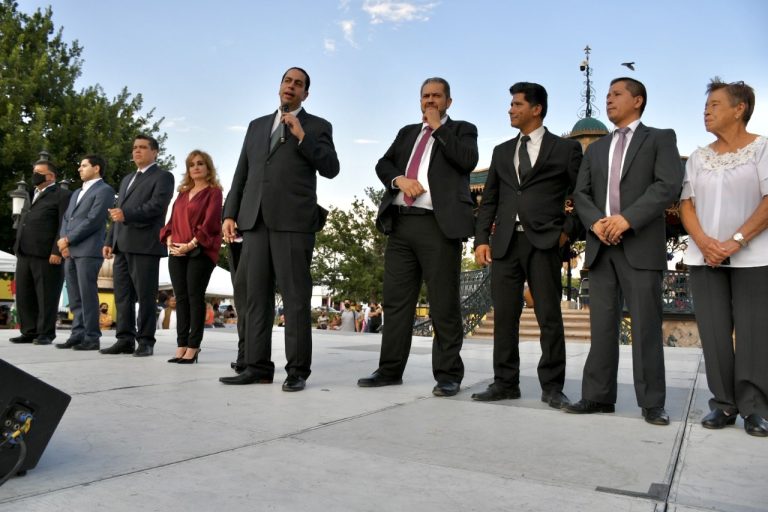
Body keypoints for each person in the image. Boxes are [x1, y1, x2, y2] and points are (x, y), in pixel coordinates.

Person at [568, 77, 683, 425]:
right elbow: (581, 193)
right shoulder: (597, 148)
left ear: (638, 100)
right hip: (601, 247)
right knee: (601, 326)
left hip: (641, 245)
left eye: (616, 94)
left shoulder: (660, 138)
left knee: (646, 326)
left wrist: (626, 220)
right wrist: (597, 223)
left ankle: (652, 403)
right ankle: (597, 396)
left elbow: (668, 185)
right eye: (607, 95)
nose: (609, 99)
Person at [219, 67, 340, 391]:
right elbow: (241, 173)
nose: (292, 87)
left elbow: (331, 168)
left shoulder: (317, 126)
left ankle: (297, 370)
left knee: (296, 298)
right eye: (288, 81)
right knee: (254, 297)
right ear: (280, 87)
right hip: (254, 221)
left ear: (306, 94)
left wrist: (302, 136)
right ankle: (257, 367)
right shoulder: (257, 126)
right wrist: (229, 213)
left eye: (298, 84)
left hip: (293, 223)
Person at [357, 77, 478, 397]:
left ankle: (449, 374)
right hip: (401, 225)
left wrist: (439, 128)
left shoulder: (463, 129)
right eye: (426, 96)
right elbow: (383, 163)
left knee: (443, 304)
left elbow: (467, 161)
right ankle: (389, 369)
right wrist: (398, 179)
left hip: (439, 225)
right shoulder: (407, 133)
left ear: (448, 102)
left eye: (437, 96)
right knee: (396, 303)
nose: (430, 101)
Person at [473, 82, 583, 408]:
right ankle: (505, 383)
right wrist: (481, 240)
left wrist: (566, 233)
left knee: (549, 316)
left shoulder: (565, 150)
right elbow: (489, 200)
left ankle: (552, 387)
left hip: (545, 242)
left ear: (536, 109)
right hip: (505, 243)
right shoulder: (502, 152)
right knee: (505, 316)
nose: (510, 109)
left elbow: (582, 196)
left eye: (517, 104)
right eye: (510, 104)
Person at [679, 78, 768, 437]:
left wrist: (735, 241)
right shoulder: (699, 157)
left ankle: (755, 407)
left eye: (715, 104)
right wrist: (704, 242)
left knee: (753, 333)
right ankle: (724, 403)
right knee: (714, 332)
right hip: (706, 258)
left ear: (739, 108)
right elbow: (686, 204)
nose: (706, 110)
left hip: (754, 257)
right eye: (706, 105)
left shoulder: (762, 149)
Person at [100, 134, 175, 357]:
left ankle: (145, 341)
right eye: (134, 148)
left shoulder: (163, 177)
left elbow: (157, 206)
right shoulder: (126, 179)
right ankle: (124, 338)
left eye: (143, 147)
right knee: (122, 296)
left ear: (155, 152)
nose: (137, 151)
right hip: (121, 244)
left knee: (145, 296)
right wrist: (109, 240)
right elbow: (117, 213)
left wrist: (127, 214)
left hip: (145, 244)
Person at [160, 150, 223, 364]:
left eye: (200, 163)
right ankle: (181, 345)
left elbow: (211, 222)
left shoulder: (214, 192)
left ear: (208, 168)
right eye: (191, 164)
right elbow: (171, 222)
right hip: (176, 250)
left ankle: (193, 346)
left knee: (195, 296)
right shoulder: (182, 193)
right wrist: (169, 240)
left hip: (200, 250)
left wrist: (191, 244)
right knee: (181, 297)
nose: (195, 167)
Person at [55, 155, 115, 351]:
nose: (79, 169)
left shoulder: (105, 190)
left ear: (96, 168)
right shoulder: (76, 193)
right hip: (70, 251)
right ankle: (77, 334)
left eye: (84, 165)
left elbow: (94, 219)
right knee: (74, 296)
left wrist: (68, 239)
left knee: (87, 294)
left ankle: (92, 337)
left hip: (88, 250)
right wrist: (64, 244)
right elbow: (66, 219)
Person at [10, 157, 71, 345]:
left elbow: (64, 224)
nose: (34, 176)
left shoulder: (62, 195)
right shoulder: (31, 194)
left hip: (47, 254)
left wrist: (57, 250)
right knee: (24, 294)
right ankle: (28, 331)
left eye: (39, 172)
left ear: (51, 176)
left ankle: (45, 333)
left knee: (46, 295)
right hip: (24, 252)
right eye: (34, 171)